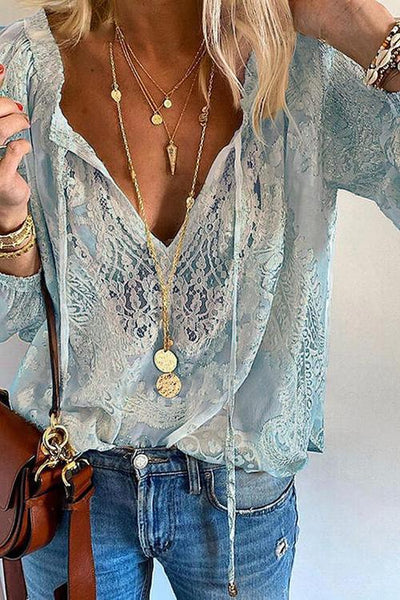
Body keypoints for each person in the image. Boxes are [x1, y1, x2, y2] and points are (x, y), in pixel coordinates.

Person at [0, 0, 399, 598]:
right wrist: (8, 223)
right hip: (72, 479)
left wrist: (370, 31)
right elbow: (20, 317)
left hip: (241, 494)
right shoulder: (26, 66)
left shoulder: (305, 69)